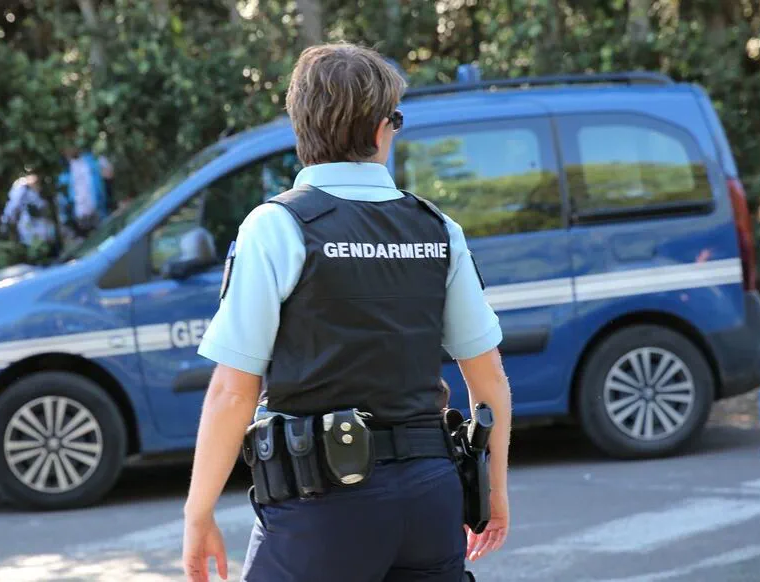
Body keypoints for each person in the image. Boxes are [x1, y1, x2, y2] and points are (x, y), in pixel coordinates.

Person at [182, 42, 513, 581]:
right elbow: (489, 380)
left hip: (322, 510)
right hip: (431, 500)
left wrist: (198, 514)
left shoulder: (277, 228)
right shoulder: (437, 229)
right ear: (383, 130)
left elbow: (232, 392)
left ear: (300, 128)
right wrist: (492, 492)